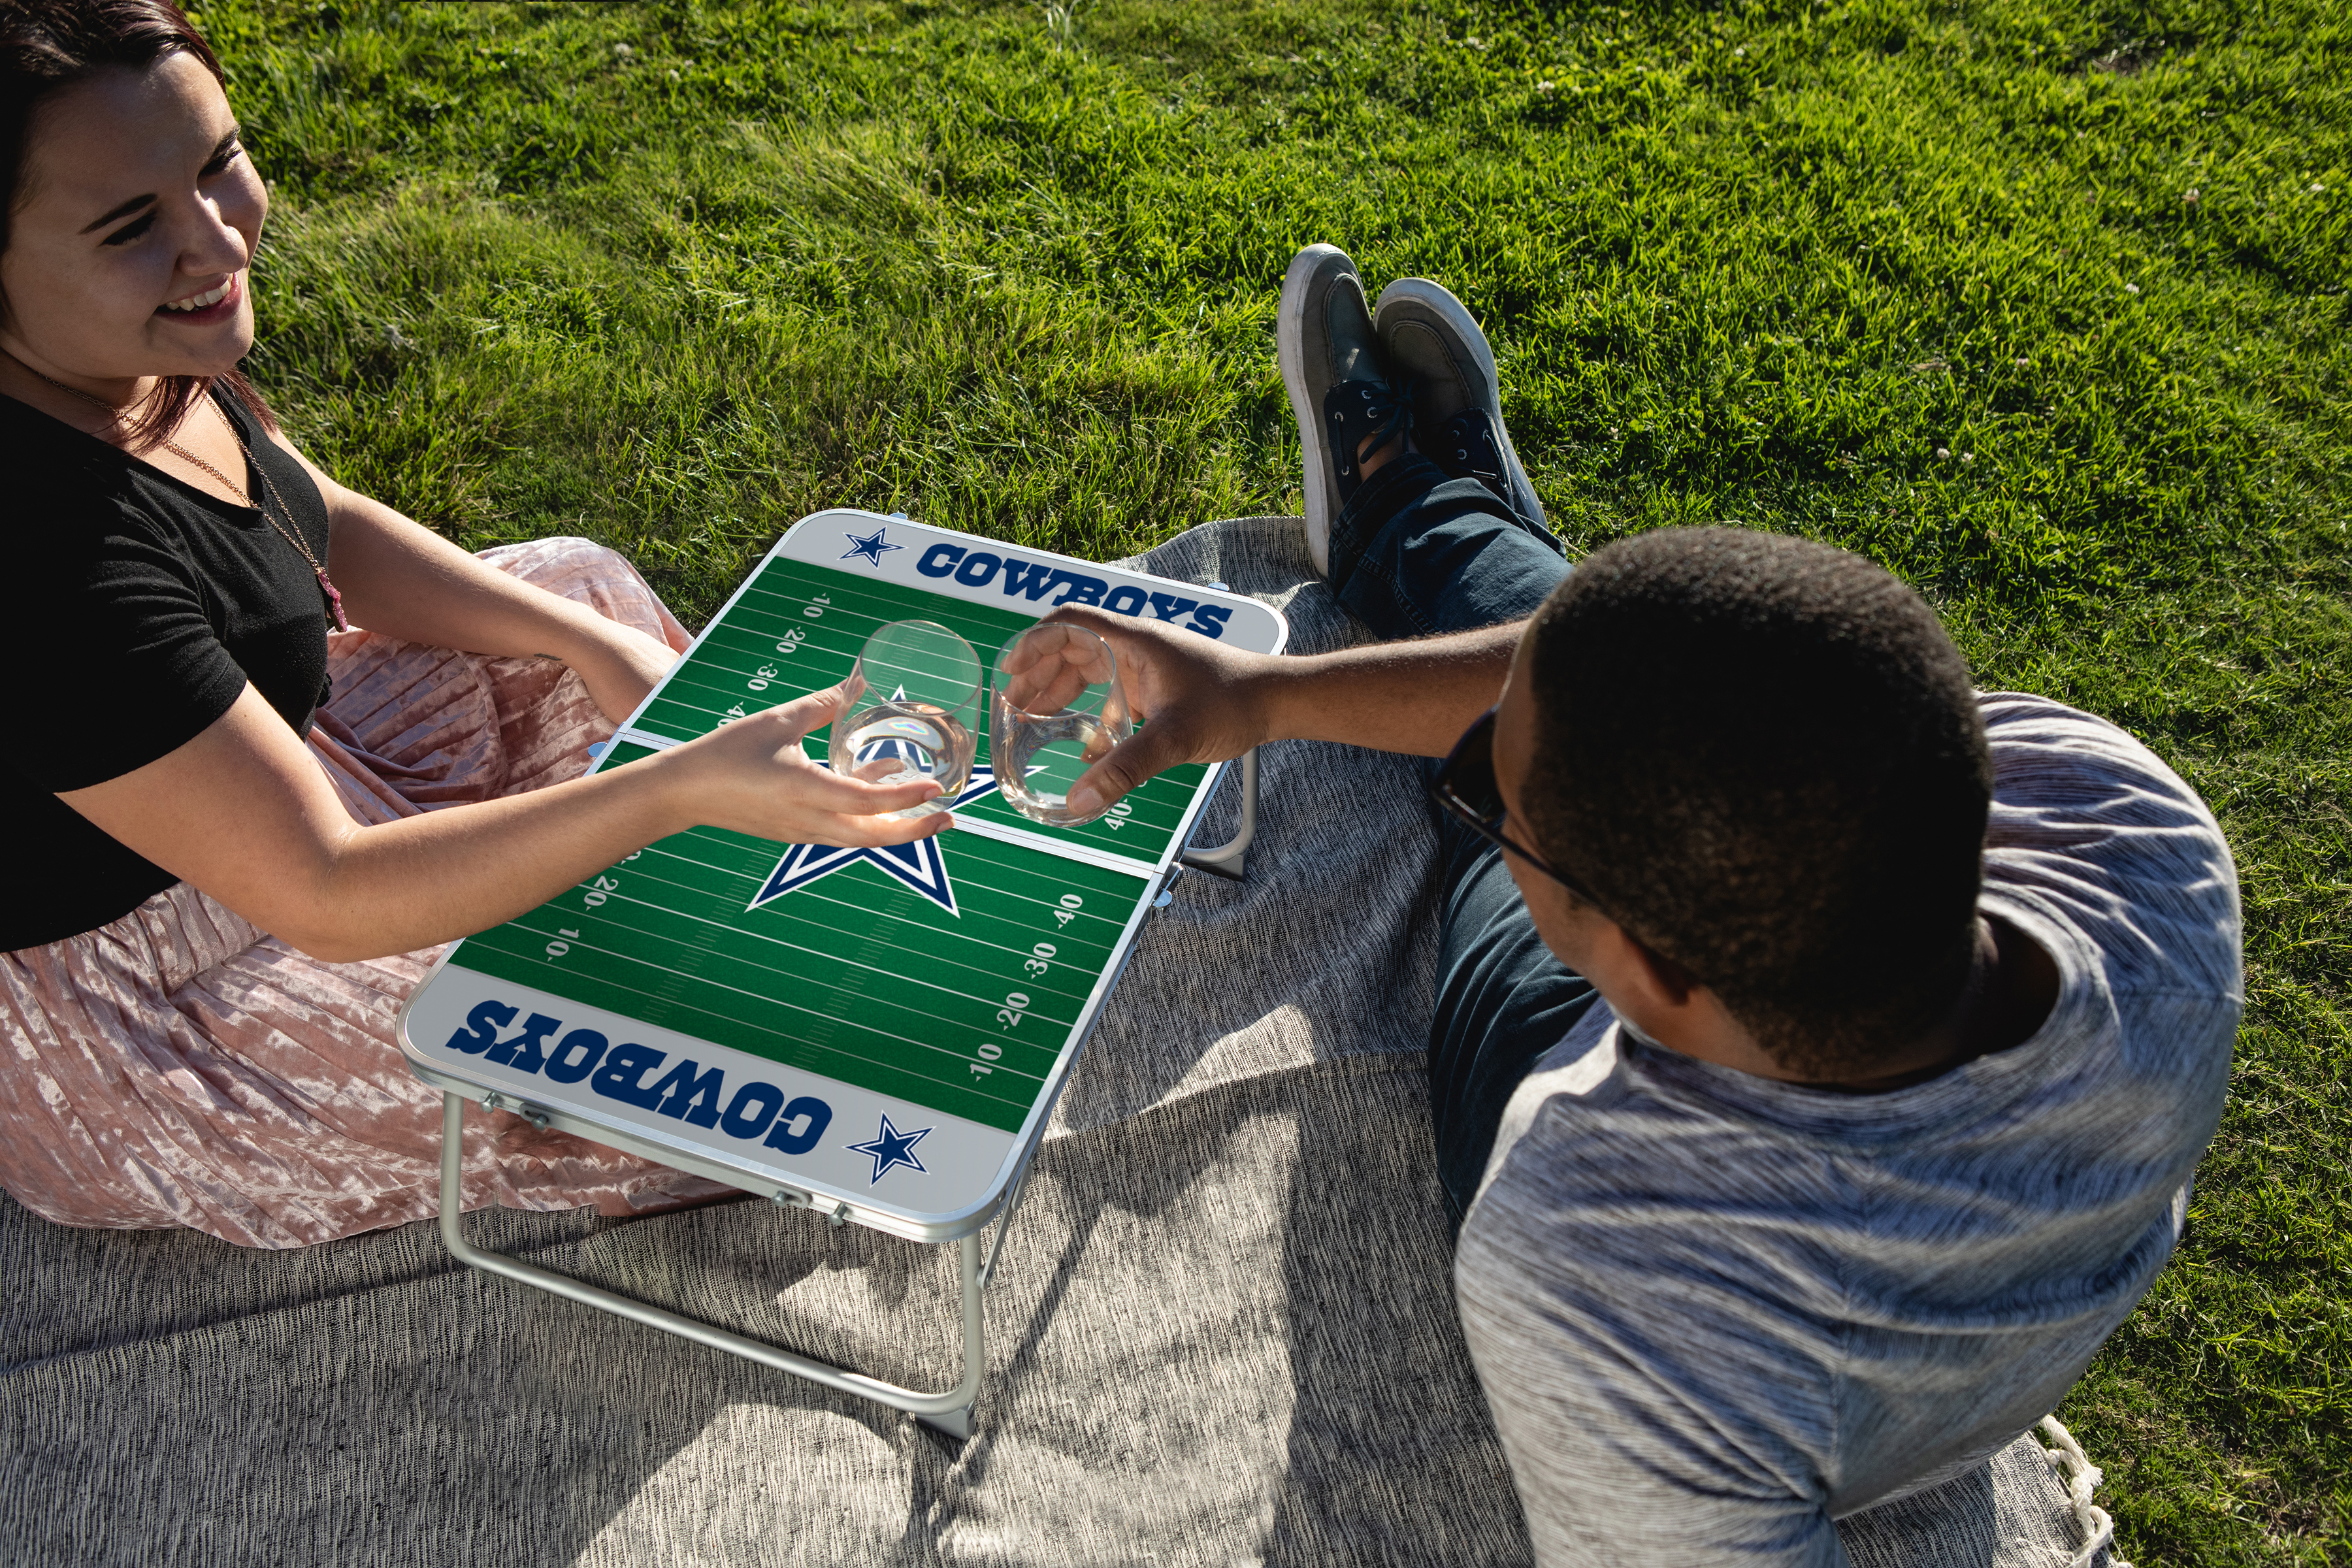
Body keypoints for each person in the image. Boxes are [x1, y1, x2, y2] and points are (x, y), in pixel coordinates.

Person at [1049, 243, 2240, 1564]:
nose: (1480, 807)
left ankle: (1429, 522)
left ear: (1644, 971)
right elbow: (1716, 694)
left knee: (1537, 766)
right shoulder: (2133, 826)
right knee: (1620, 669)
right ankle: (1444, 527)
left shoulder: (1602, 1263)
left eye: (1497, 811)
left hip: (1570, 1075)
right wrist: (1258, 697)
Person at [0, 0, 948, 1248]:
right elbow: (326, 891)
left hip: (286, 773)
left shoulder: (121, 356)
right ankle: (728, 876)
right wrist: (669, 792)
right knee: (687, 1051)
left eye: (218, 161)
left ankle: (737, 843)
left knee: (574, 588)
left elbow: (312, 520)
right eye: (133, 226)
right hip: (164, 1002)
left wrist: (589, 646)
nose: (217, 236)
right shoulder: (41, 553)